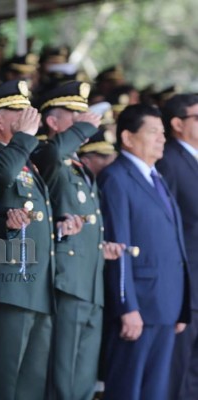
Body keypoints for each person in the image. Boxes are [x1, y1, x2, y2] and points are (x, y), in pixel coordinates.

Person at [0, 79, 83, 400]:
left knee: (31, 385)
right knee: (3, 383)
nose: (30, 118)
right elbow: (0, 180)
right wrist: (22, 138)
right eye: (20, 112)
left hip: (37, 285)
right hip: (10, 286)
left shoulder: (26, 157)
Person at [31, 81, 122, 400]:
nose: (85, 121)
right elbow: (54, 152)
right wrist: (83, 130)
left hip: (89, 281)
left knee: (82, 376)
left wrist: (102, 247)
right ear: (53, 123)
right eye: (74, 115)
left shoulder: (79, 166)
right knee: (64, 377)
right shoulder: (47, 154)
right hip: (67, 282)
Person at [98, 104, 190, 400]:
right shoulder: (117, 178)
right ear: (127, 137)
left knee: (155, 392)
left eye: (163, 133)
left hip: (165, 304)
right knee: (127, 390)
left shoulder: (156, 177)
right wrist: (127, 307)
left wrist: (182, 304)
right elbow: (118, 245)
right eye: (153, 132)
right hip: (138, 308)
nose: (161, 139)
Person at [157, 94, 198, 400]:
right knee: (179, 371)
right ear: (177, 123)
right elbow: (164, 226)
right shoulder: (169, 160)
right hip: (185, 286)